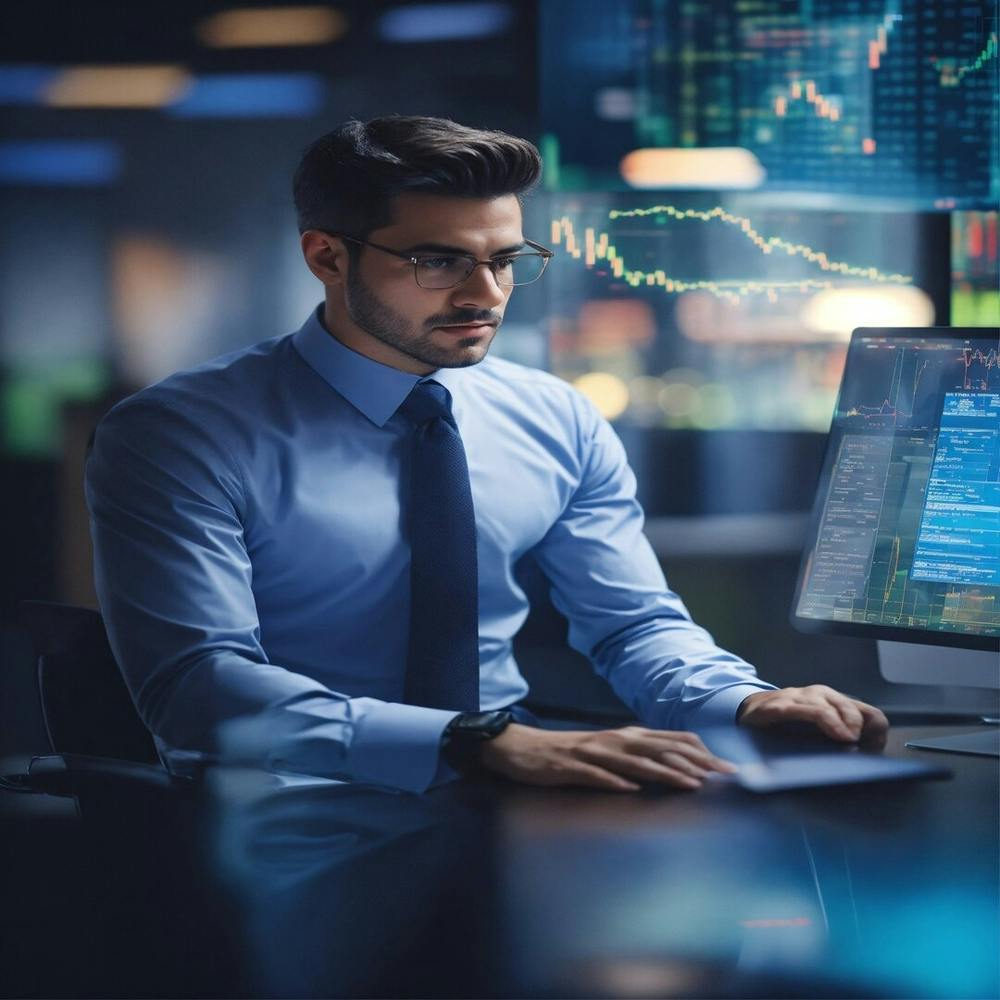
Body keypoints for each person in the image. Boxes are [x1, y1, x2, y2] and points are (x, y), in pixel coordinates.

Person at [86, 115, 888, 795]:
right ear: (327, 256)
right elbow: (197, 686)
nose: (486, 295)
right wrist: (473, 743)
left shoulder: (555, 418)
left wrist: (743, 702)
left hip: (516, 786)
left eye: (505, 260)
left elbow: (633, 628)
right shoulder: (179, 436)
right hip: (281, 806)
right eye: (438, 261)